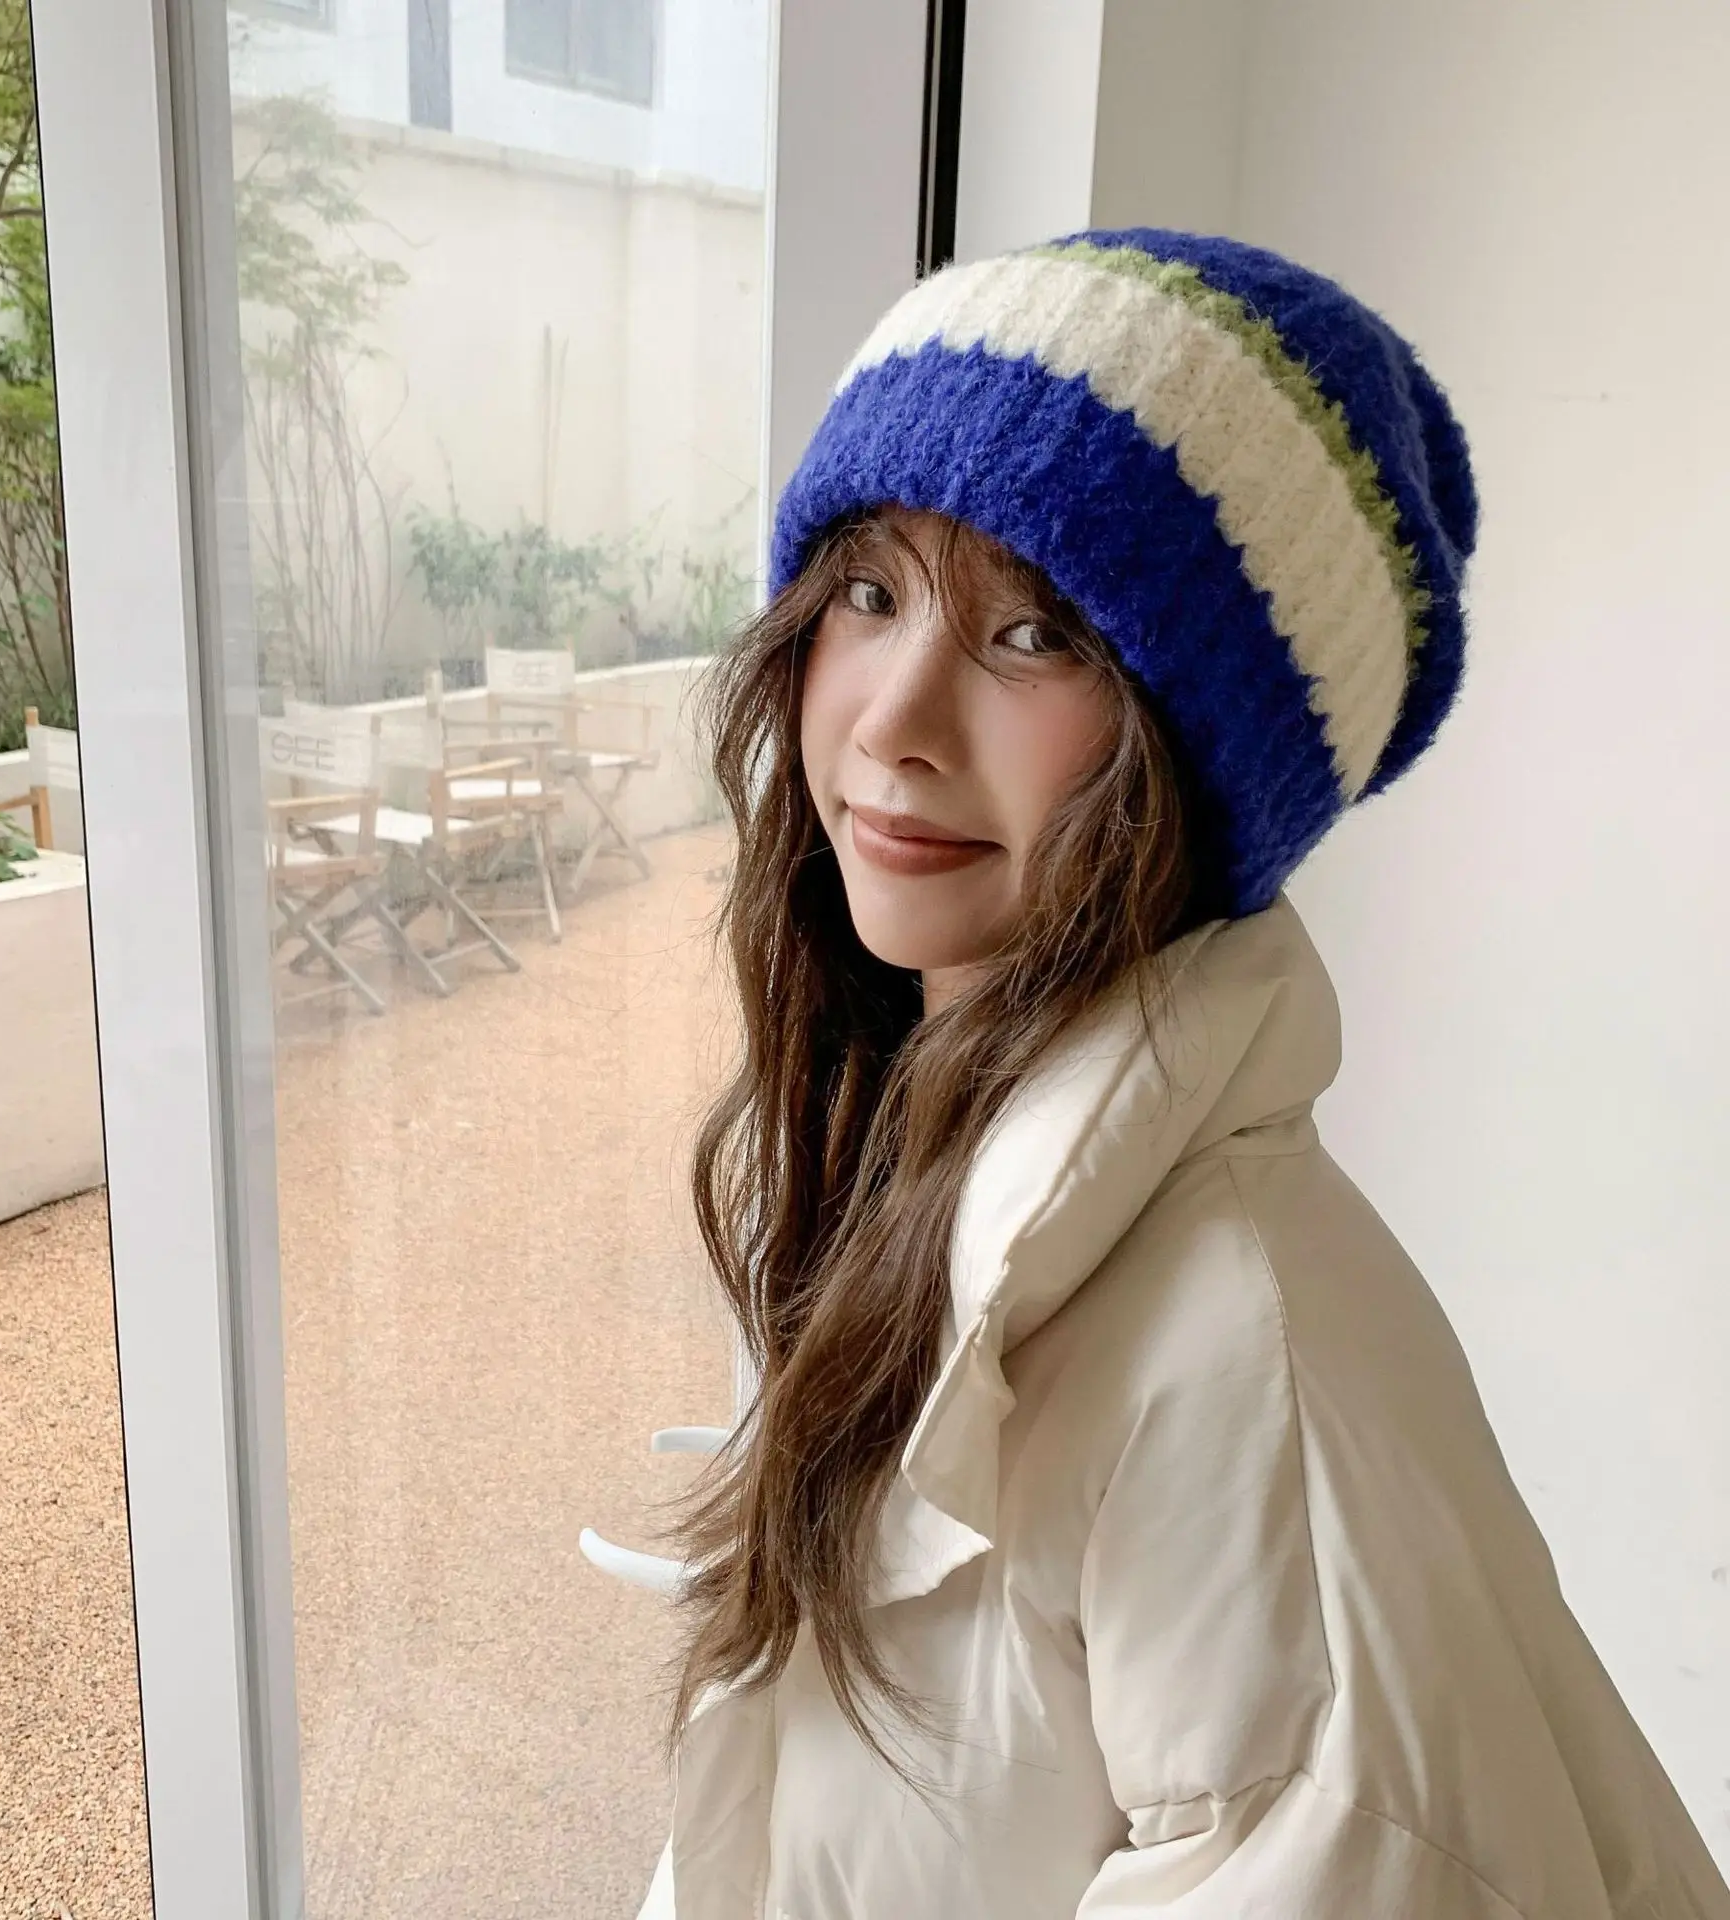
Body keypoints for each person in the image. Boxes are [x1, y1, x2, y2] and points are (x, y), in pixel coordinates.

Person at [636, 230, 1730, 1919]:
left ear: (1204, 765)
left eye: (1035, 635)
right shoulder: (928, 1159)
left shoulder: (1241, 1364)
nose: (894, 719)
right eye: (869, 592)